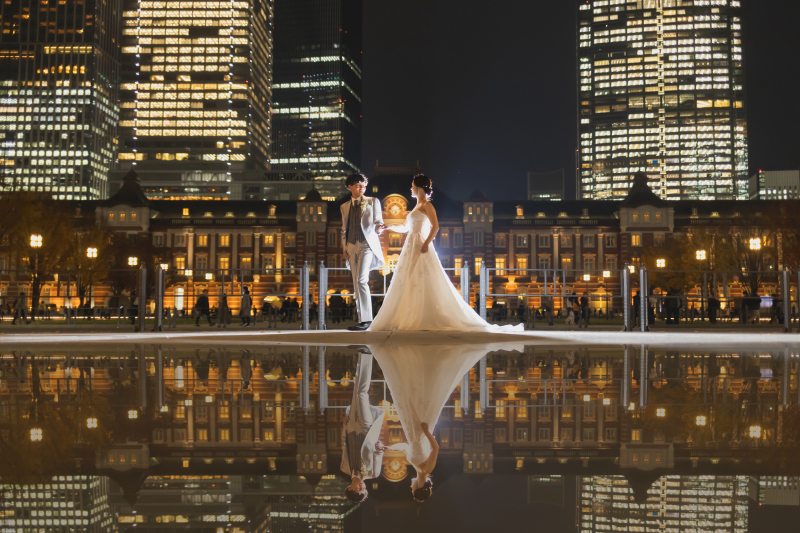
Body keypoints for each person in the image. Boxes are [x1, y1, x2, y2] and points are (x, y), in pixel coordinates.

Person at [371, 341, 524, 502]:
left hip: (411, 433)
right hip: (419, 433)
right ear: (419, 487)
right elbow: (436, 448)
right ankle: (420, 359)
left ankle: (408, 358)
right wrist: (425, 431)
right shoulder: (426, 469)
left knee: (405, 396)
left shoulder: (417, 469)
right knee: (413, 397)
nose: (410, 487)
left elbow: (404, 448)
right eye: (413, 490)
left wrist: (388, 447)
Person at [369, 175, 522, 332]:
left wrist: (426, 244)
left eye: (412, 186)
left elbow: (435, 227)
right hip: (410, 245)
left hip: (420, 244)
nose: (411, 188)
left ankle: (422, 317)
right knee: (409, 279)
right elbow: (404, 227)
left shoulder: (427, 206)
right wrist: (388, 227)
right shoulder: (415, 207)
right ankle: (410, 316)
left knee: (424, 277)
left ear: (419, 189)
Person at [341, 173, 386, 331]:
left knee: (361, 280)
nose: (362, 188)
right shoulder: (344, 207)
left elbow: (379, 222)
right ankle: (362, 320)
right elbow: (344, 230)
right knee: (356, 283)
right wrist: (344, 248)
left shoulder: (373, 202)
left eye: (364, 186)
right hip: (351, 247)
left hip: (367, 245)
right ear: (350, 187)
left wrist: (379, 228)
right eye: (359, 185)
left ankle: (367, 320)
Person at [341, 350, 387, 503]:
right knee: (361, 393)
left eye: (357, 489)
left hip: (352, 427)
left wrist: (344, 427)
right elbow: (378, 453)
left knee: (356, 390)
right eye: (363, 489)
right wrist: (380, 447)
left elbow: (344, 446)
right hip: (366, 429)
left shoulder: (344, 468)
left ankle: (362, 355)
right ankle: (367, 353)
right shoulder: (373, 473)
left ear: (349, 488)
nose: (361, 486)